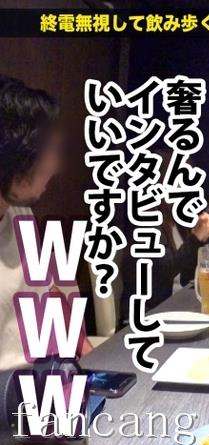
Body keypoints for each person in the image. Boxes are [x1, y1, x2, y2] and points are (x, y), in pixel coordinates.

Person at [0, 75, 91, 371]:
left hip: (46, 378)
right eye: (49, 151)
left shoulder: (19, 213)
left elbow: (48, 293)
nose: (55, 166)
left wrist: (85, 351)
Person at [119, 148, 209, 325]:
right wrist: (196, 238)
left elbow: (187, 275)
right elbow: (165, 271)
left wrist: (199, 239)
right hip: (145, 317)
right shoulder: (146, 220)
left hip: (172, 307)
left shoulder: (177, 223)